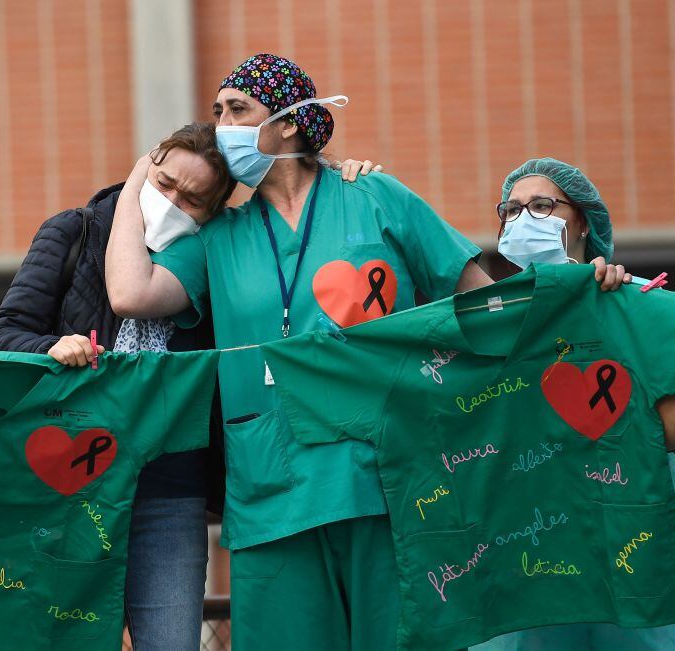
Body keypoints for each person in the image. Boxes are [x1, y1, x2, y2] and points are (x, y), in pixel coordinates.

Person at [103, 52, 505, 650]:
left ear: (289, 122)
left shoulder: (375, 196)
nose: (222, 126)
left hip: (384, 482)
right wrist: (139, 176)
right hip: (273, 493)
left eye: (238, 109)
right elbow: (131, 293)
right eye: (217, 112)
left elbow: (484, 305)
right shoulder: (218, 236)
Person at [0, 119, 379, 649]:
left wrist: (341, 177)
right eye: (166, 183)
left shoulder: (215, 255)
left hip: (169, 494)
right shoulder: (73, 232)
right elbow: (2, 335)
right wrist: (49, 349)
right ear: (150, 165)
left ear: (214, 212)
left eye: (194, 200)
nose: (173, 202)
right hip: (67, 487)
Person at [471, 157, 675, 651]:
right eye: (511, 210)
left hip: (621, 534)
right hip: (523, 542)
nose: (524, 219)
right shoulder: (482, 324)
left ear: (583, 220)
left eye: (542, 205)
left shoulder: (632, 305)